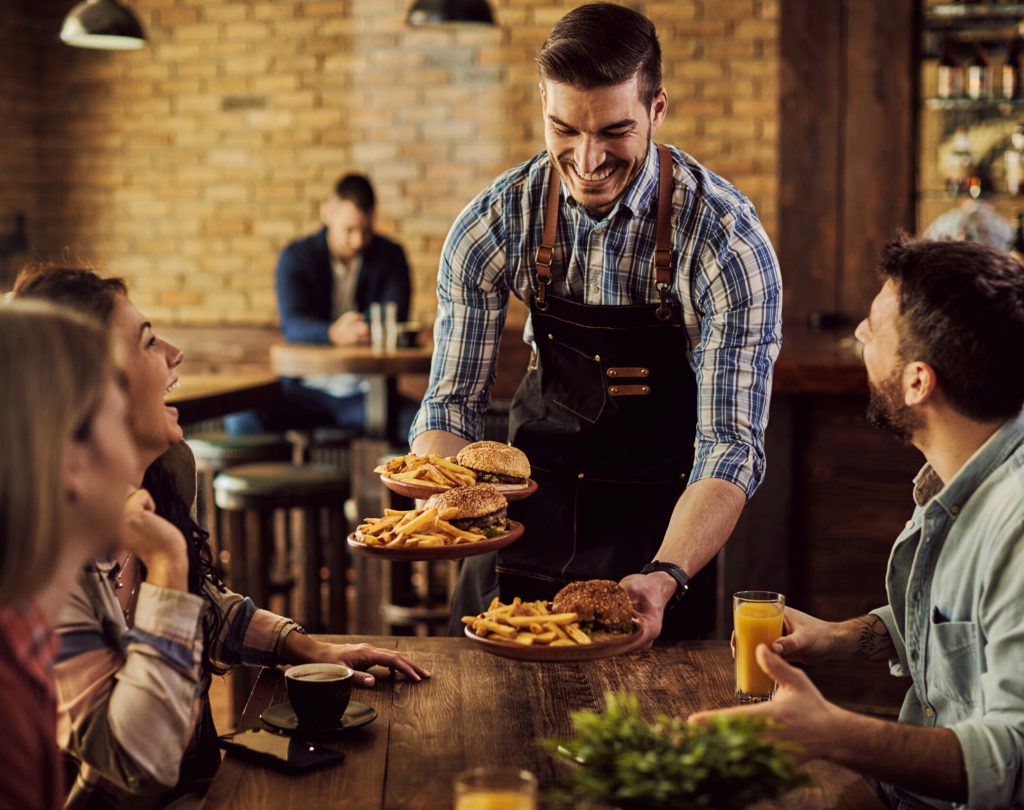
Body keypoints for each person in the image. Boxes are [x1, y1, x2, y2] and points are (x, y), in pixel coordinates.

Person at [409, 3, 782, 641]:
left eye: (614, 131)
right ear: (543, 106)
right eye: (565, 130)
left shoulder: (725, 238)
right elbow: (450, 407)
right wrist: (453, 511)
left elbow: (731, 446)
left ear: (657, 109)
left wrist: (667, 574)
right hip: (527, 517)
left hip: (663, 536)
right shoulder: (496, 222)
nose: (587, 159)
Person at [13, 265, 430, 808]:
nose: (175, 352)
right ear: (90, 388)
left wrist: (308, 648)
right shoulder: (41, 566)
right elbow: (134, 767)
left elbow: (202, 607)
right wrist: (165, 564)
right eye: (147, 341)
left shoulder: (166, 474)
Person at [691, 237, 1024, 810]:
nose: (860, 338)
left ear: (918, 381)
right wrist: (836, 636)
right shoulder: (960, 472)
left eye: (873, 329)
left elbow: (1012, 760)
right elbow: (966, 626)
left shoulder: (1015, 523)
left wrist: (832, 733)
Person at [0, 301, 141, 810]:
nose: (134, 455)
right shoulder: (6, 699)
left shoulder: (24, 639)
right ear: (70, 461)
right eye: (122, 422)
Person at [226, 173, 416, 442]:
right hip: (304, 391)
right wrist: (333, 333)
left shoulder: (391, 255)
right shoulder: (296, 256)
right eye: (349, 230)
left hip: (367, 393)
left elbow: (395, 318)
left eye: (366, 230)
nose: (358, 241)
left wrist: (363, 330)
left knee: (421, 425)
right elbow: (293, 324)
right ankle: (289, 481)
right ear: (327, 214)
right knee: (242, 418)